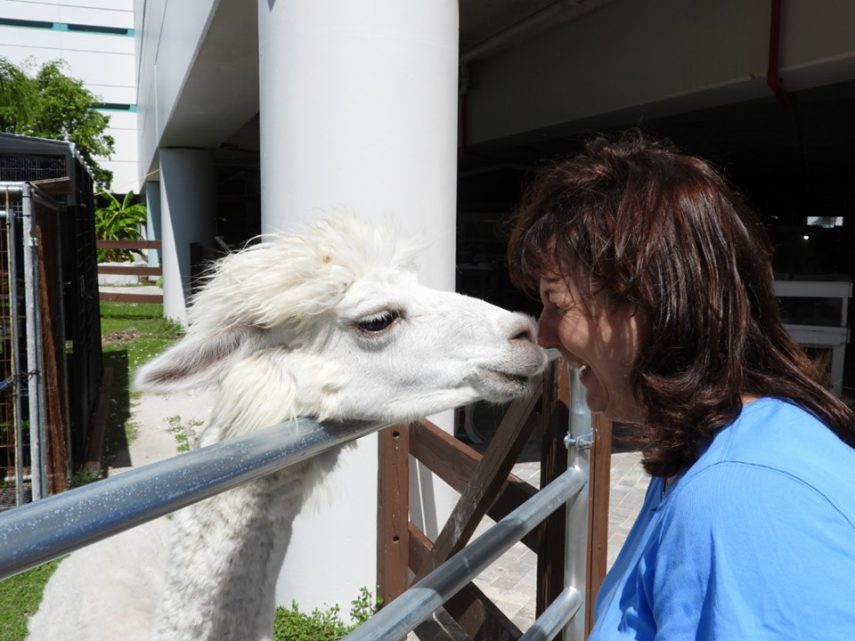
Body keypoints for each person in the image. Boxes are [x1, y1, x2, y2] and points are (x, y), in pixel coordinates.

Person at [507, 130, 855, 640]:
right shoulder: (706, 444)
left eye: (558, 304)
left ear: (652, 304)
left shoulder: (744, 497)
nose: (545, 333)